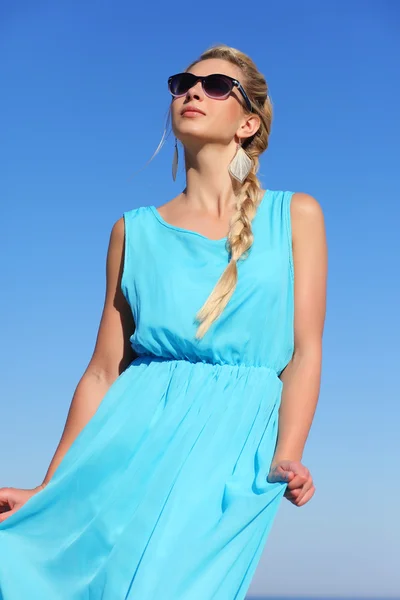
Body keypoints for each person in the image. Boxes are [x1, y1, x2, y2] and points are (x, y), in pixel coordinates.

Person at [0, 44, 327, 599]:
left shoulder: (295, 216)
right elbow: (103, 373)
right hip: (123, 450)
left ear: (248, 123)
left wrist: (286, 455)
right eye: (183, 83)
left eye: (217, 86)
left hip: (230, 462)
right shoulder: (132, 232)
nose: (193, 92)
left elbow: (304, 353)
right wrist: (53, 488)